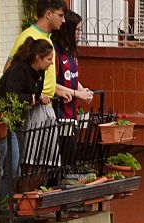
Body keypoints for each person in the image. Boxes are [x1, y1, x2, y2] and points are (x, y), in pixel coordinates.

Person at [0, 38, 52, 201]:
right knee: (10, 167)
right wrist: (32, 98)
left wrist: (38, 96)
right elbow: (11, 94)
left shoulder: (40, 73)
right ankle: (3, 204)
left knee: (16, 166)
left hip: (20, 121)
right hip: (7, 121)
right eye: (48, 59)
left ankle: (8, 203)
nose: (51, 64)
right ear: (38, 58)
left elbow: (34, 92)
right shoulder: (19, 70)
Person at [51, 10, 93, 166]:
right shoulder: (54, 51)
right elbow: (51, 84)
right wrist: (78, 94)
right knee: (65, 156)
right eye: (77, 30)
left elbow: (73, 77)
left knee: (71, 154)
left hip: (71, 113)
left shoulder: (71, 52)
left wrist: (83, 91)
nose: (79, 34)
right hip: (59, 114)